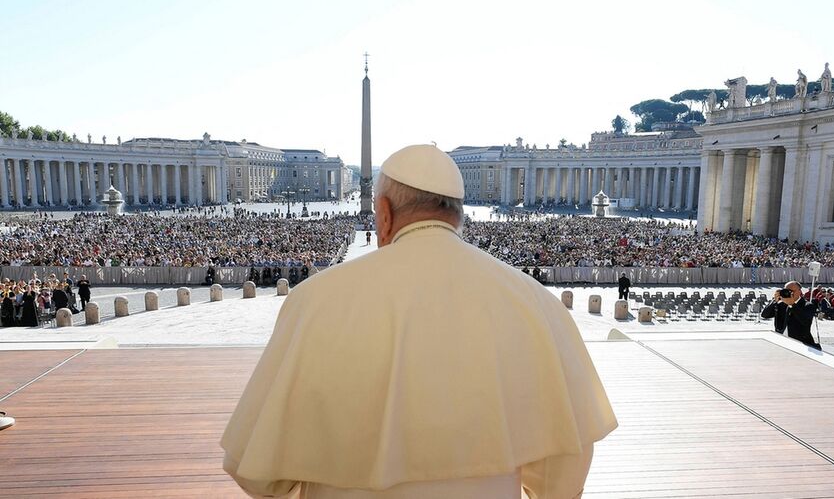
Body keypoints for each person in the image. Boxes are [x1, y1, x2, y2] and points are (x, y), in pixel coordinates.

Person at [222, 144, 617, 498]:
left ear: (384, 213)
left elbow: (256, 472)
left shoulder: (314, 300)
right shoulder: (535, 302)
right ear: (459, 216)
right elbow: (563, 473)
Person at [761, 281, 820, 350]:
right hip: (782, 343)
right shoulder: (781, 304)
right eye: (787, 291)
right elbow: (765, 315)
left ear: (799, 291)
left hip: (801, 344)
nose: (790, 293)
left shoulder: (808, 305)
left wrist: (792, 305)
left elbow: (805, 321)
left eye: (792, 291)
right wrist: (774, 300)